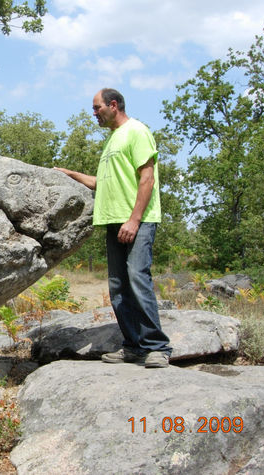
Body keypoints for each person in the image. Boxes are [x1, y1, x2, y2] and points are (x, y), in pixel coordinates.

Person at [55, 88, 172, 368]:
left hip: (137, 219)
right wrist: (69, 174)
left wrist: (134, 219)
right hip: (114, 221)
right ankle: (133, 346)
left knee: (136, 277)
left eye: (97, 108)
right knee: (118, 286)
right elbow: (102, 182)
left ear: (113, 105)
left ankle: (157, 347)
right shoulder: (112, 140)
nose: (93, 113)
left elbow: (147, 178)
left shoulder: (137, 131)